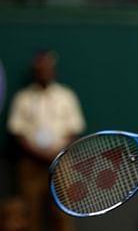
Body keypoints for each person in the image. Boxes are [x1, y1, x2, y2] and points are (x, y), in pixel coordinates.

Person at [6, 50, 86, 231]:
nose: (44, 72)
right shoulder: (23, 98)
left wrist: (56, 153)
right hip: (31, 163)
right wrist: (38, 153)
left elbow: (74, 129)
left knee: (63, 213)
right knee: (29, 212)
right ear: (35, 71)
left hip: (61, 163)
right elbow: (17, 131)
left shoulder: (66, 96)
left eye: (47, 68)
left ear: (53, 70)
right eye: (40, 69)